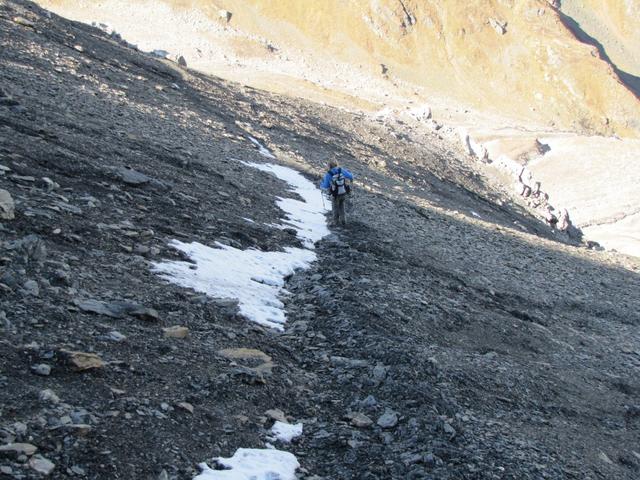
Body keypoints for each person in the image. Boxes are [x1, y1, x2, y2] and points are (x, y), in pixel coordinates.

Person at [320, 160, 354, 226]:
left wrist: (321, 185)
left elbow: (325, 185)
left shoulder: (329, 174)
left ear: (329, 166)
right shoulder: (341, 170)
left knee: (335, 208)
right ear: (336, 164)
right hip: (343, 192)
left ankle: (335, 222)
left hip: (335, 194)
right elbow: (350, 176)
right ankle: (343, 220)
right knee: (341, 206)